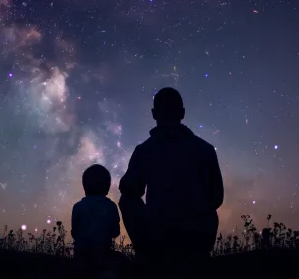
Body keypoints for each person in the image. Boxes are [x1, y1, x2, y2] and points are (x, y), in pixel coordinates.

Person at [119, 87, 224, 277]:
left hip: (157, 237)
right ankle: (196, 256)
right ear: (182, 113)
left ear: (153, 114)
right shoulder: (205, 149)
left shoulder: (145, 150)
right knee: (210, 208)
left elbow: (129, 189)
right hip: (197, 236)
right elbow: (217, 198)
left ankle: (148, 256)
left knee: (126, 200)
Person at [71, 164, 121, 278]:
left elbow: (75, 233)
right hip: (103, 256)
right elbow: (115, 232)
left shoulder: (77, 207)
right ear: (107, 186)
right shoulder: (111, 206)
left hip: (81, 257)